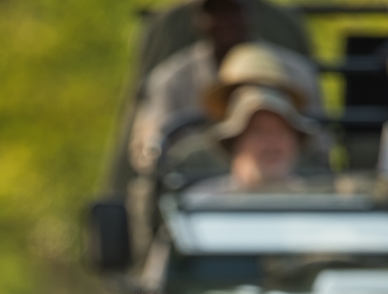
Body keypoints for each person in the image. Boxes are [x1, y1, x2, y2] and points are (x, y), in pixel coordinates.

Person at [129, 0, 320, 175]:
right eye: (215, 12)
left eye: (233, 10)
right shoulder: (170, 80)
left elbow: (321, 147)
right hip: (200, 188)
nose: (225, 20)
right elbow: (149, 151)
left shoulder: (298, 73)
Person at [187, 83, 319, 192]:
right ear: (235, 141)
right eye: (259, 132)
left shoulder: (320, 205)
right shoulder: (204, 204)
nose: (272, 142)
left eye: (281, 132)